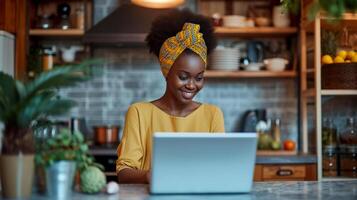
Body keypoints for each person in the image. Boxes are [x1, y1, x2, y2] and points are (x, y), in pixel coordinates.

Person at [116, 9, 225, 184]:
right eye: (183, 77)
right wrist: (148, 176)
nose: (191, 85)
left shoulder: (213, 115)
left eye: (199, 78)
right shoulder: (139, 112)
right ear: (166, 73)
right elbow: (123, 173)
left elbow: (221, 168)